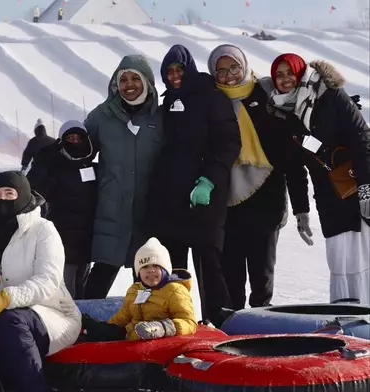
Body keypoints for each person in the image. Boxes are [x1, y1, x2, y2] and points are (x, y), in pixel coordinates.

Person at [0, 171, 81, 392]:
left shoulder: (43, 230)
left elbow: (48, 281)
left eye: (10, 193)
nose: (3, 199)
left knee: (9, 322)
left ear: (24, 195)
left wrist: (5, 298)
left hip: (54, 316)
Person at [206, 44, 310, 310]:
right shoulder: (210, 103)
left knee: (262, 279)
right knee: (231, 279)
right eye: (221, 71)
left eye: (234, 68)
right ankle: (235, 334)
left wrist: (301, 208)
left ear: (244, 66)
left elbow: (292, 158)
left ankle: (261, 333)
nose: (228, 75)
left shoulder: (268, 97)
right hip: (226, 204)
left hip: (267, 202)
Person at [268, 53, 370, 305]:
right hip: (329, 196)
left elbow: (362, 139)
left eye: (289, 73)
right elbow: (294, 169)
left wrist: (367, 188)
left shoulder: (331, 95)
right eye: (279, 75)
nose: (285, 79)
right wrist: (301, 211)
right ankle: (349, 320)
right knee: (340, 260)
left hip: (358, 188)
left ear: (300, 72)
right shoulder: (283, 115)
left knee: (365, 256)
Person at [149, 45, 240, 327]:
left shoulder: (213, 98)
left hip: (204, 199)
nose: (175, 76)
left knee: (210, 266)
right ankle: (180, 323)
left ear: (189, 70)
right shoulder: (166, 104)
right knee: (175, 271)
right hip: (171, 201)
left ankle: (221, 324)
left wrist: (209, 179)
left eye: (179, 70)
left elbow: (229, 143)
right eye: (169, 72)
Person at [82, 54, 164, 299]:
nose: (129, 85)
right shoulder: (102, 116)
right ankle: (85, 325)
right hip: (111, 210)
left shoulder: (160, 118)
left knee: (146, 276)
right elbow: (79, 152)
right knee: (102, 274)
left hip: (148, 210)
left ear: (147, 82)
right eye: (123, 79)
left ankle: (145, 329)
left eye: (135, 78)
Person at [27, 120, 97, 299]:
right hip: (62, 236)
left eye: (78, 138)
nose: (74, 142)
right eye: (69, 138)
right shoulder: (54, 167)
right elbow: (34, 190)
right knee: (64, 290)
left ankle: (83, 324)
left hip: (87, 238)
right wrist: (41, 163)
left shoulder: (93, 167)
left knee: (83, 289)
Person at [107, 237, 197, 340]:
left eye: (155, 266)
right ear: (138, 272)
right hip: (133, 339)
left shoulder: (175, 290)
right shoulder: (135, 290)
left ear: (165, 269)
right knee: (102, 330)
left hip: (161, 344)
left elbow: (188, 321)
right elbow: (123, 316)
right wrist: (107, 327)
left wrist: (163, 328)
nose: (150, 270)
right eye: (145, 267)